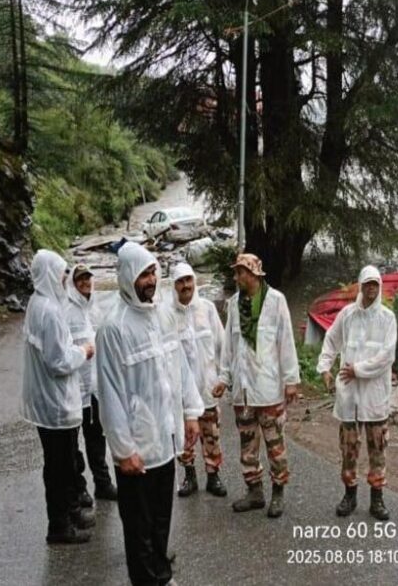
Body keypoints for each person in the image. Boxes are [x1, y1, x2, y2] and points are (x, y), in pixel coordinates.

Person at [96, 243, 202, 586]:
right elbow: (109, 393)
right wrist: (123, 449)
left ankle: (161, 572)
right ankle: (145, 579)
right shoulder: (113, 328)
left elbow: (181, 368)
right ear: (127, 277)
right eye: (143, 274)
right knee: (138, 526)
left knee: (160, 518)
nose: (151, 280)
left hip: (165, 440)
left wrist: (190, 413)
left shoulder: (164, 316)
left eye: (154, 272)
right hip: (137, 447)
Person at [212, 253, 300, 518]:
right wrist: (224, 379)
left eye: (241, 272)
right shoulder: (234, 304)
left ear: (253, 274)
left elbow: (286, 341)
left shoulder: (275, 301)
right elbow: (229, 347)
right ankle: (254, 491)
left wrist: (291, 380)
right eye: (236, 273)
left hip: (269, 389)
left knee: (275, 445)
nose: (237, 277)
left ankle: (278, 492)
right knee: (247, 445)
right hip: (244, 391)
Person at [19, 249, 96, 545]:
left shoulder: (39, 304)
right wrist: (84, 352)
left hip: (48, 402)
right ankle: (60, 525)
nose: (65, 278)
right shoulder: (49, 312)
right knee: (60, 466)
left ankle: (67, 514)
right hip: (55, 403)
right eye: (61, 273)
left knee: (59, 464)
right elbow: (58, 361)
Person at [317, 266, 397, 520]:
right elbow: (331, 340)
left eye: (375, 284)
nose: (371, 289)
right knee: (348, 448)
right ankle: (349, 493)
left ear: (379, 286)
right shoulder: (347, 315)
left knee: (377, 449)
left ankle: (377, 498)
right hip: (349, 396)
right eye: (367, 284)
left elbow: (387, 356)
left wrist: (358, 370)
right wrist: (325, 367)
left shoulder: (387, 318)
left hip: (375, 397)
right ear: (361, 286)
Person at [64, 263, 119, 508]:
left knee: (96, 438)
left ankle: (103, 483)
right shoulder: (66, 311)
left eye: (88, 278)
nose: (85, 283)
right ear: (73, 283)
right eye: (80, 279)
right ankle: (78, 487)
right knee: (73, 443)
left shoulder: (94, 308)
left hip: (95, 386)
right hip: (75, 389)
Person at [171, 263, 228, 498]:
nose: (186, 286)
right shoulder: (168, 316)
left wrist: (223, 378)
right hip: (183, 393)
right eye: (180, 281)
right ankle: (190, 477)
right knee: (185, 437)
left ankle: (213, 476)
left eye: (189, 280)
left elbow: (223, 346)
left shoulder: (207, 309)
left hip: (207, 389)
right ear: (174, 286)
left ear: (194, 281)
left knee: (211, 435)